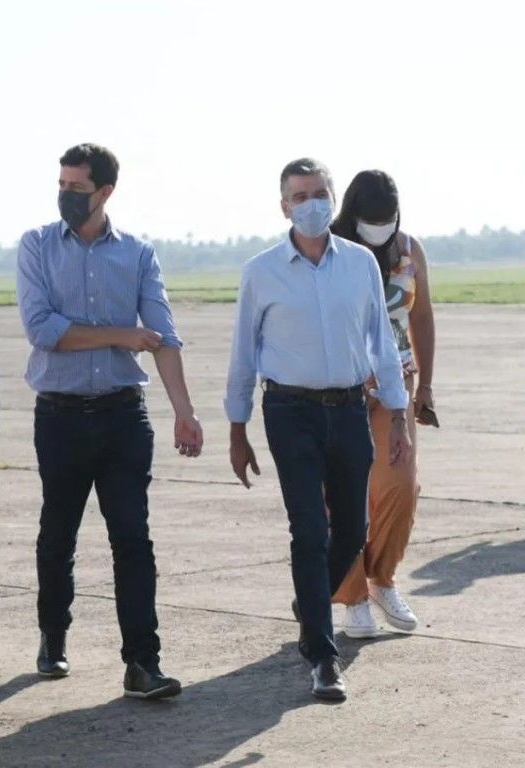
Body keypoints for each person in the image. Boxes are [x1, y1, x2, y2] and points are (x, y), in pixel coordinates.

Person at [16, 143, 203, 700]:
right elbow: (43, 329)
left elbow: (162, 336)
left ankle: (143, 663)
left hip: (124, 416)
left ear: (105, 192)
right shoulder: (37, 246)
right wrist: (123, 335)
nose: (66, 195)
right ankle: (54, 635)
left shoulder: (138, 254)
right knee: (58, 535)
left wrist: (184, 412)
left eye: (76, 187)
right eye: (62, 185)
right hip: (61, 416)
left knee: (132, 539)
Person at [224, 158, 411, 702]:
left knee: (352, 531)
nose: (312, 204)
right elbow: (243, 353)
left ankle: (310, 606)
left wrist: (398, 413)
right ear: (284, 207)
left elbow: (381, 342)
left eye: (319, 193)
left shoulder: (359, 264)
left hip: (350, 407)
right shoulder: (261, 272)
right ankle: (324, 659)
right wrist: (238, 429)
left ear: (333, 198)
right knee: (308, 528)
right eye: (300, 196)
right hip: (290, 411)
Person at [330, 170, 436, 638]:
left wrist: (426, 385)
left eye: (387, 218)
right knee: (341, 496)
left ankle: (382, 579)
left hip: (398, 386)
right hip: (342, 388)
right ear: (353, 214)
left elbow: (422, 315)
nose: (381, 227)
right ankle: (352, 597)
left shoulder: (409, 250)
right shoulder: (330, 250)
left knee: (401, 486)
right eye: (372, 219)